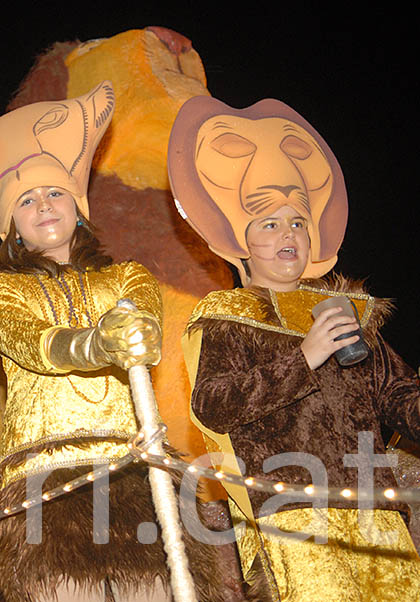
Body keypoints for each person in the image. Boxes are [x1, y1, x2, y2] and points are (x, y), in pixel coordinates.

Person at [0, 81, 225, 602]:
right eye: (27, 200)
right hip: (46, 482)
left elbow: (148, 338)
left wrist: (133, 336)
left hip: (136, 474)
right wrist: (96, 343)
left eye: (54, 193)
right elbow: (27, 339)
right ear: (13, 229)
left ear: (78, 206)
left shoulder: (129, 277)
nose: (44, 205)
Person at [168, 95, 420, 600]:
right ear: (241, 241)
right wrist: (304, 357)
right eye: (270, 223)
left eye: (299, 223)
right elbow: (213, 407)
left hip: (381, 520)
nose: (289, 232)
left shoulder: (350, 314)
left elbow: (401, 397)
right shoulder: (228, 318)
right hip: (295, 514)